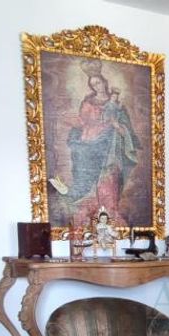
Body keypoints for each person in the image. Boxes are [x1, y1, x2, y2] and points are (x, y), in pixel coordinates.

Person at [66, 60, 141, 225]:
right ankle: (94, 213)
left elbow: (126, 129)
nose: (96, 87)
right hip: (92, 145)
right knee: (93, 178)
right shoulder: (88, 103)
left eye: (98, 82)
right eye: (93, 84)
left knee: (110, 179)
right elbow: (84, 122)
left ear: (104, 82)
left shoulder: (118, 105)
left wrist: (118, 126)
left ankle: (110, 211)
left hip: (112, 149)